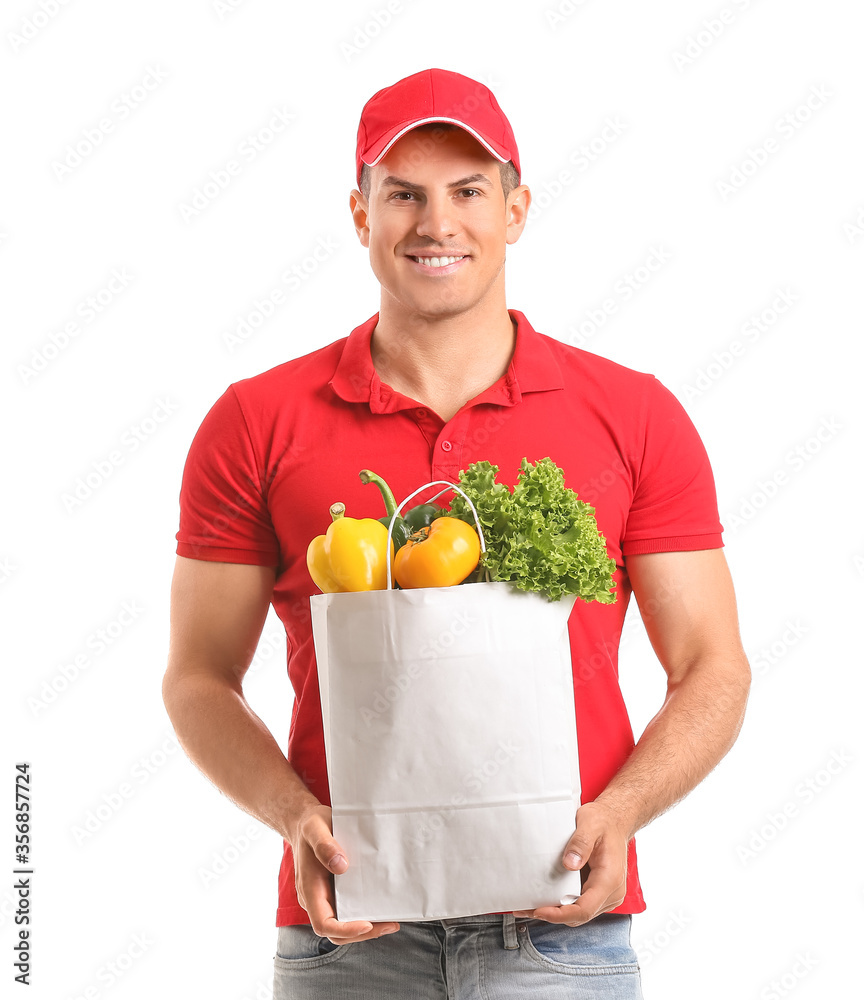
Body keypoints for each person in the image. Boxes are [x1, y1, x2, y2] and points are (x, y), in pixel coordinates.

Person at [162, 68, 751, 998]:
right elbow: (198, 677)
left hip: (564, 935)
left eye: (468, 192)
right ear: (360, 216)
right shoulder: (256, 421)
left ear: (515, 210)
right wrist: (291, 816)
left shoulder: (633, 416)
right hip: (347, 936)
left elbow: (714, 666)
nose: (437, 223)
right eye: (402, 194)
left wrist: (622, 812)